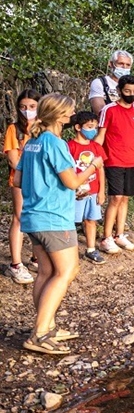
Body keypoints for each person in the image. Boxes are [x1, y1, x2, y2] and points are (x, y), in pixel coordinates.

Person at [14, 93, 104, 354]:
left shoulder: (32, 142)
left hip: (33, 217)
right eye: (70, 111)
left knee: (45, 272)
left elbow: (19, 180)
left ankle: (47, 325)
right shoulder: (55, 143)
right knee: (67, 271)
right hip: (54, 217)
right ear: (61, 115)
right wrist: (93, 167)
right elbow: (73, 182)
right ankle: (39, 334)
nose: (73, 114)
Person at [95, 74, 134, 252]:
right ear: (119, 91)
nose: (131, 94)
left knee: (125, 198)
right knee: (115, 198)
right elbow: (101, 136)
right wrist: (95, 157)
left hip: (131, 160)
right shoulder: (109, 110)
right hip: (113, 159)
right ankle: (106, 237)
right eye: (127, 91)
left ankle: (119, 234)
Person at [4, 89, 39, 284]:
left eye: (32, 107)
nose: (28, 111)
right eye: (24, 107)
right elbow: (13, 159)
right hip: (20, 180)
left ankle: (35, 258)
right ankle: (16, 264)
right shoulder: (14, 129)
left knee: (36, 217)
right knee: (18, 218)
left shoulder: (43, 128)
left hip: (40, 182)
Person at [66, 112, 107, 264]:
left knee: (91, 220)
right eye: (89, 127)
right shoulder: (69, 147)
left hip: (93, 190)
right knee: (72, 222)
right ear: (78, 127)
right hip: (76, 192)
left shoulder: (96, 146)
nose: (93, 130)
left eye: (95, 127)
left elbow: (101, 169)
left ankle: (91, 249)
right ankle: (70, 252)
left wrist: (102, 190)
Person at [88, 50, 134, 115]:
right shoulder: (99, 83)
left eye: (128, 65)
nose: (124, 67)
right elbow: (100, 112)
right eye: (121, 64)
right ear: (111, 64)